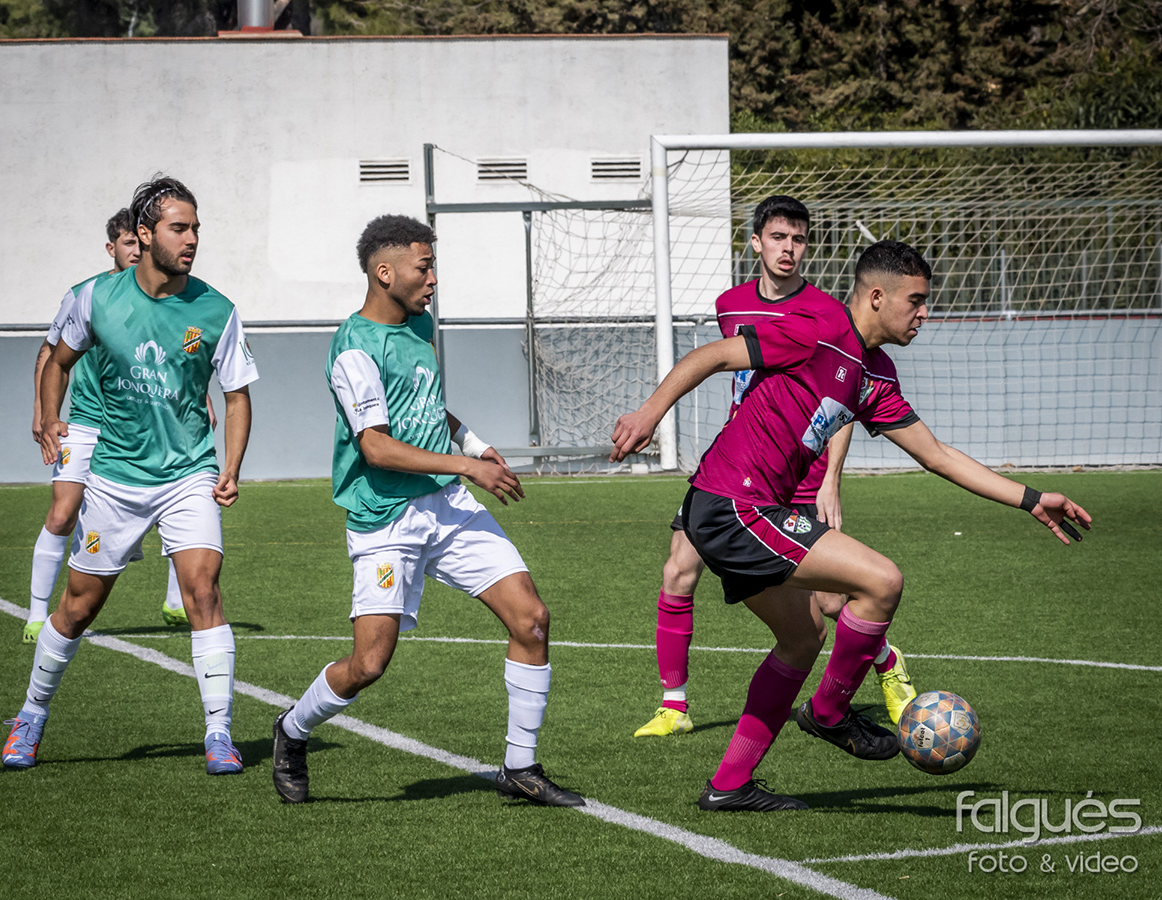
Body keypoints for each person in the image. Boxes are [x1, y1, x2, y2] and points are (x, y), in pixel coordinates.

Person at [612, 240, 1090, 812]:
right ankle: (828, 712)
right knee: (881, 581)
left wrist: (1030, 499)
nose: (924, 313)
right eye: (916, 301)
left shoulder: (874, 373)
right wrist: (649, 413)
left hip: (745, 509)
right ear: (878, 296)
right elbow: (712, 356)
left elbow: (936, 454)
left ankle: (730, 785)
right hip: (733, 504)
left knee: (803, 637)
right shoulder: (817, 328)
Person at [270, 214, 582, 807]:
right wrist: (468, 466)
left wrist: (474, 445)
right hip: (386, 517)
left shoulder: (420, 323)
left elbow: (428, 404)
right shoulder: (354, 348)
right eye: (424, 267)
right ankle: (293, 727)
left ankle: (520, 766)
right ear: (385, 273)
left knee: (532, 619)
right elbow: (376, 446)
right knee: (368, 664)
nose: (433, 278)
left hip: (446, 505)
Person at [2, 176, 258, 776]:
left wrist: (230, 466)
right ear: (144, 235)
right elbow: (57, 360)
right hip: (115, 477)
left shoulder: (217, 310)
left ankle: (219, 732)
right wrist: (50, 418)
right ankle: (31, 714)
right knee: (79, 607)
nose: (192, 239)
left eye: (196, 228)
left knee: (204, 591)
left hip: (188, 474)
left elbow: (237, 395)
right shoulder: (94, 298)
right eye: (179, 228)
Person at [634, 197, 915, 739]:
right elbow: (731, 367)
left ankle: (885, 662)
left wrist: (832, 478)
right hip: (739, 466)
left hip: (801, 470)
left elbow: (844, 401)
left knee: (831, 599)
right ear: (756, 242)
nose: (789, 248)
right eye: (779, 237)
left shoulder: (826, 313)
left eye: (799, 239)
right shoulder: (731, 304)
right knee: (677, 570)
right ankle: (674, 706)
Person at [25, 209, 216, 642]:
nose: (135, 249)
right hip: (87, 423)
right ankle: (37, 615)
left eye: (138, 241)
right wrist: (43, 410)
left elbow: (179, 362)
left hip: (144, 430)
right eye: (127, 242)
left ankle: (175, 601)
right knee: (62, 513)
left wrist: (198, 398)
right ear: (112, 247)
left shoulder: (169, 299)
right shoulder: (87, 295)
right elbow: (51, 352)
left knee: (181, 503)